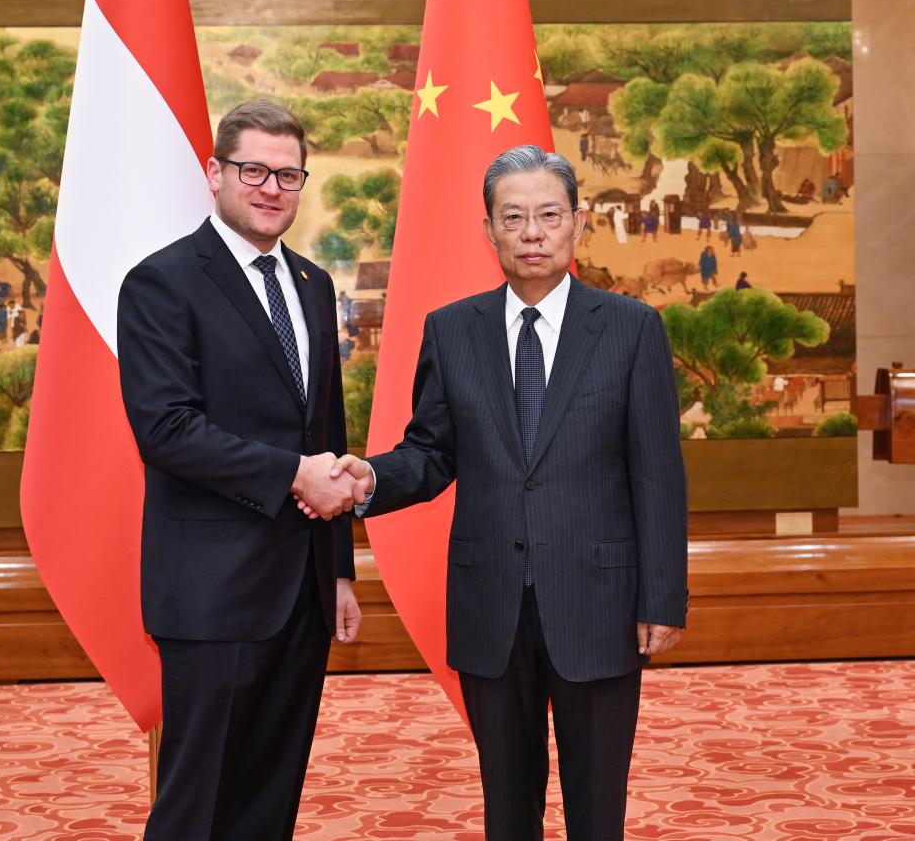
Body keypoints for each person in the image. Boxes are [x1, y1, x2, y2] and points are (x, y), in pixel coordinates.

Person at [312, 145, 688, 841]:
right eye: (513, 217)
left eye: (549, 215)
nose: (532, 233)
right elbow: (431, 454)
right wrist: (371, 478)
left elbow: (658, 473)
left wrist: (661, 597)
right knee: (507, 805)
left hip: (599, 602)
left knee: (597, 805)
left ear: (578, 223)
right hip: (491, 604)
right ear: (488, 230)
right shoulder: (453, 330)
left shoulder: (631, 329)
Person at [117, 100, 363, 841]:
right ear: (215, 173)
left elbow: (327, 432)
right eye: (253, 170)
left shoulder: (313, 284)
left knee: (269, 801)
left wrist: (339, 569)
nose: (271, 188)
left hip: (303, 592)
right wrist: (292, 474)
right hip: (212, 593)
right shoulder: (162, 282)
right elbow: (166, 429)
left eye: (288, 175)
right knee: (196, 807)